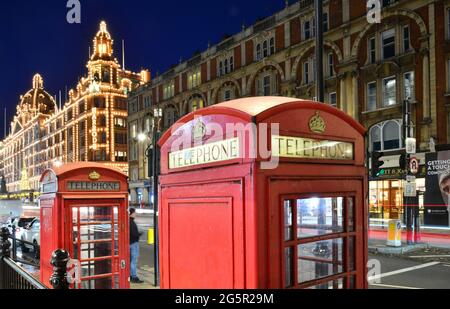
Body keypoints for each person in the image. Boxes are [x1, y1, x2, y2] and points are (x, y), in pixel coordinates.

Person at [129, 208, 144, 283]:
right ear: (131, 213)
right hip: (133, 244)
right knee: (133, 261)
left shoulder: (127, 221)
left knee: (130, 260)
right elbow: (134, 234)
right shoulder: (131, 222)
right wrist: (139, 234)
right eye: (134, 213)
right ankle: (133, 276)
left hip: (129, 243)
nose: (135, 214)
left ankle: (130, 275)